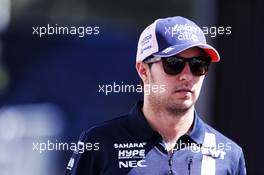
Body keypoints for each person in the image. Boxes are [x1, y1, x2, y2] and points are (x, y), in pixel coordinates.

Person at [65, 16, 246, 175]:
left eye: (198, 64)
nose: (187, 75)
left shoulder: (229, 154)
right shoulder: (99, 144)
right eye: (174, 63)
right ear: (143, 70)